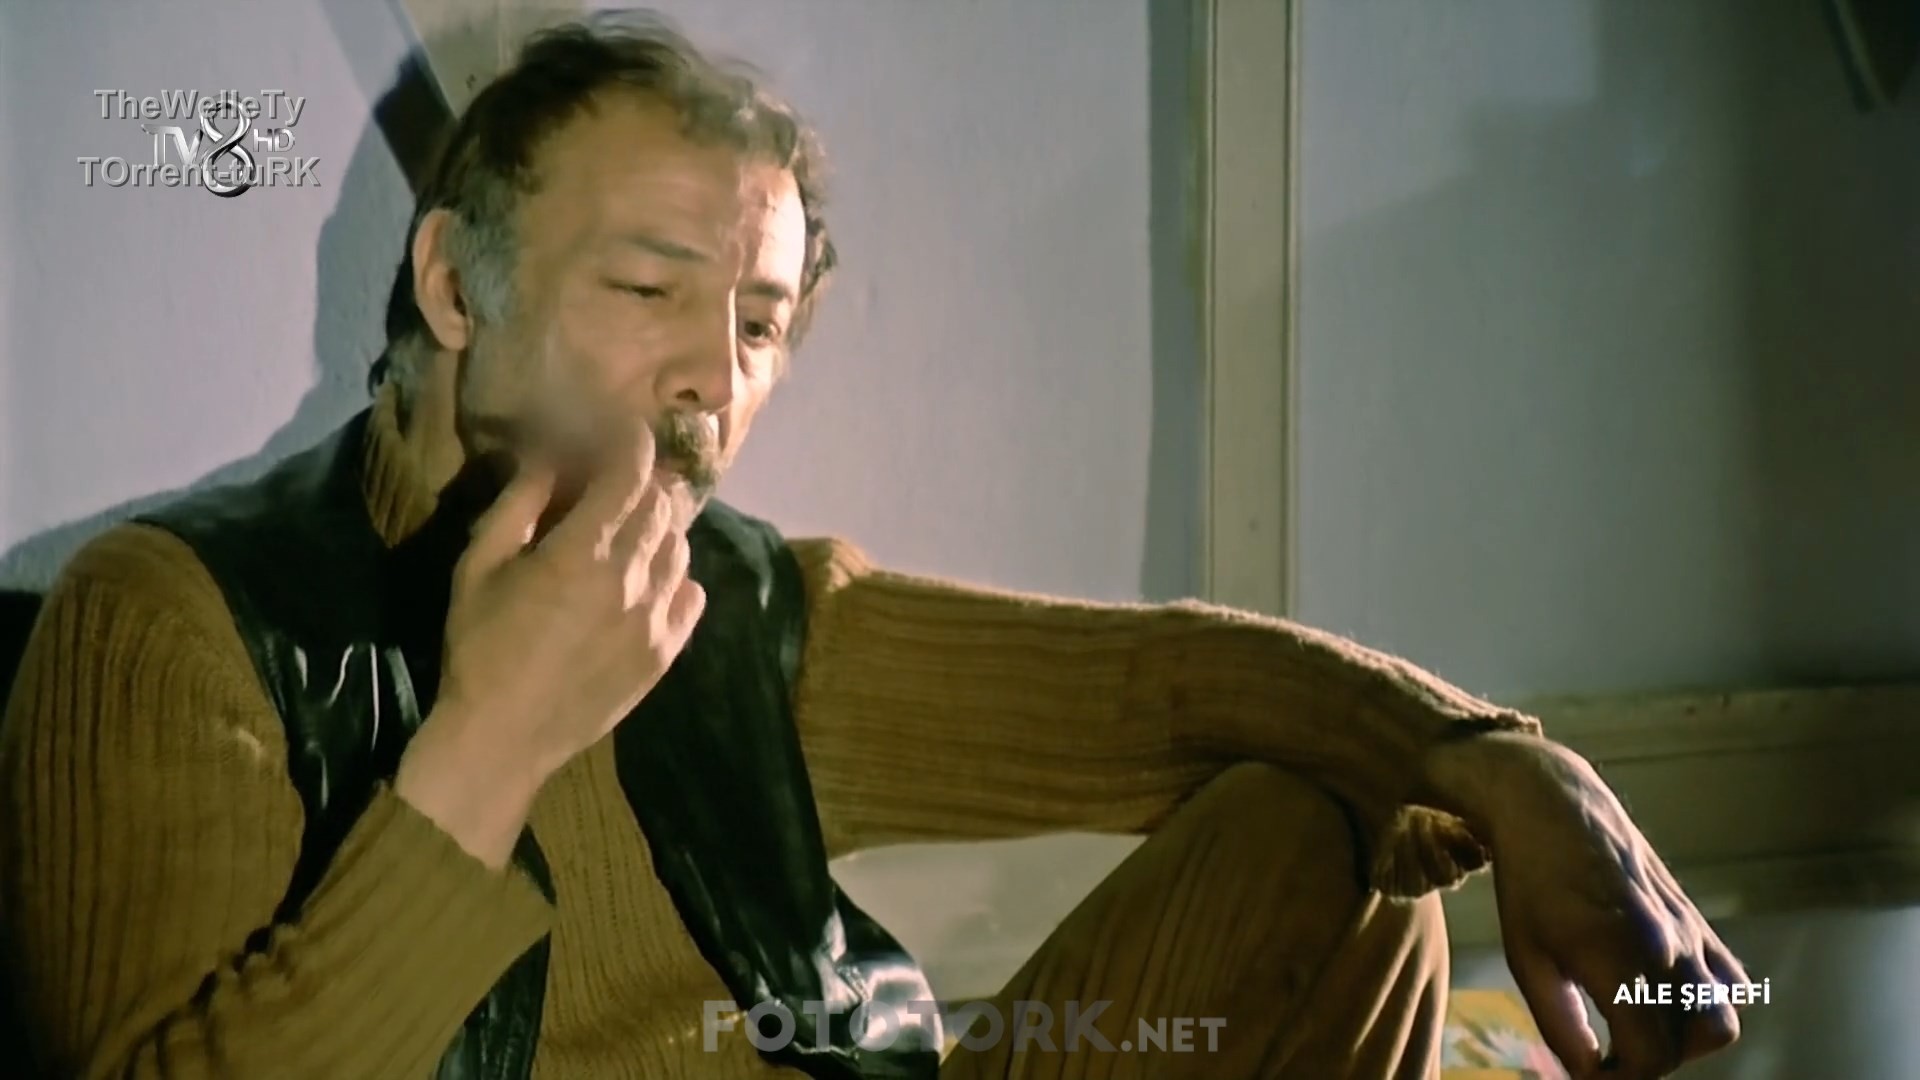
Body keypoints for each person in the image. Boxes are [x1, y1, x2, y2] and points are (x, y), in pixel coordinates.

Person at [0, 13, 1745, 1080]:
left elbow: (1155, 688)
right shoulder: (176, 621)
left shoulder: (739, 601)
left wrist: (1509, 767)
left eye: (760, 323)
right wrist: (484, 751)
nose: (717, 374)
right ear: (455, 284)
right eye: (649, 289)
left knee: (1331, 831)